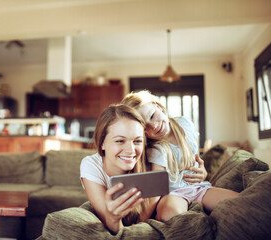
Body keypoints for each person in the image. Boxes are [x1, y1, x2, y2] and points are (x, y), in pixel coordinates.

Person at [121, 90, 239, 222]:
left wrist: (202, 171)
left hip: (198, 188)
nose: (153, 126)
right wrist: (141, 221)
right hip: (174, 194)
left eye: (153, 116)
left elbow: (195, 159)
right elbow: (156, 189)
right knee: (170, 213)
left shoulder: (185, 124)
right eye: (145, 128)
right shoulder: (156, 150)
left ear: (158, 106)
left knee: (238, 201)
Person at [80, 104, 153, 234]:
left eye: (137, 141)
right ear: (102, 143)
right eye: (120, 141)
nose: (131, 150)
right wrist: (113, 218)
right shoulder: (91, 165)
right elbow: (114, 230)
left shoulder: (151, 160)